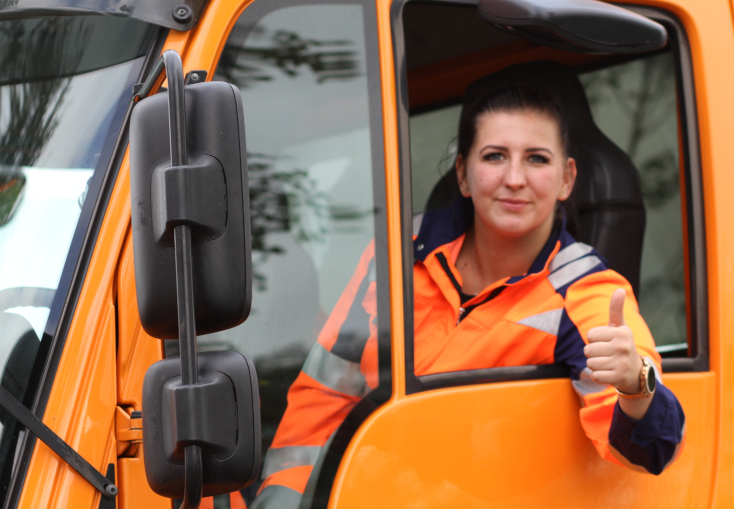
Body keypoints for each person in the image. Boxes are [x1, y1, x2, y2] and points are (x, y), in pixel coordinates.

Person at [252, 66, 685, 507]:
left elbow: (653, 449)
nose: (514, 178)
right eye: (495, 156)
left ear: (567, 179)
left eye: (537, 158)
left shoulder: (585, 291)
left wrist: (637, 385)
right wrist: (284, 501)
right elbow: (323, 399)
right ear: (462, 173)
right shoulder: (396, 257)